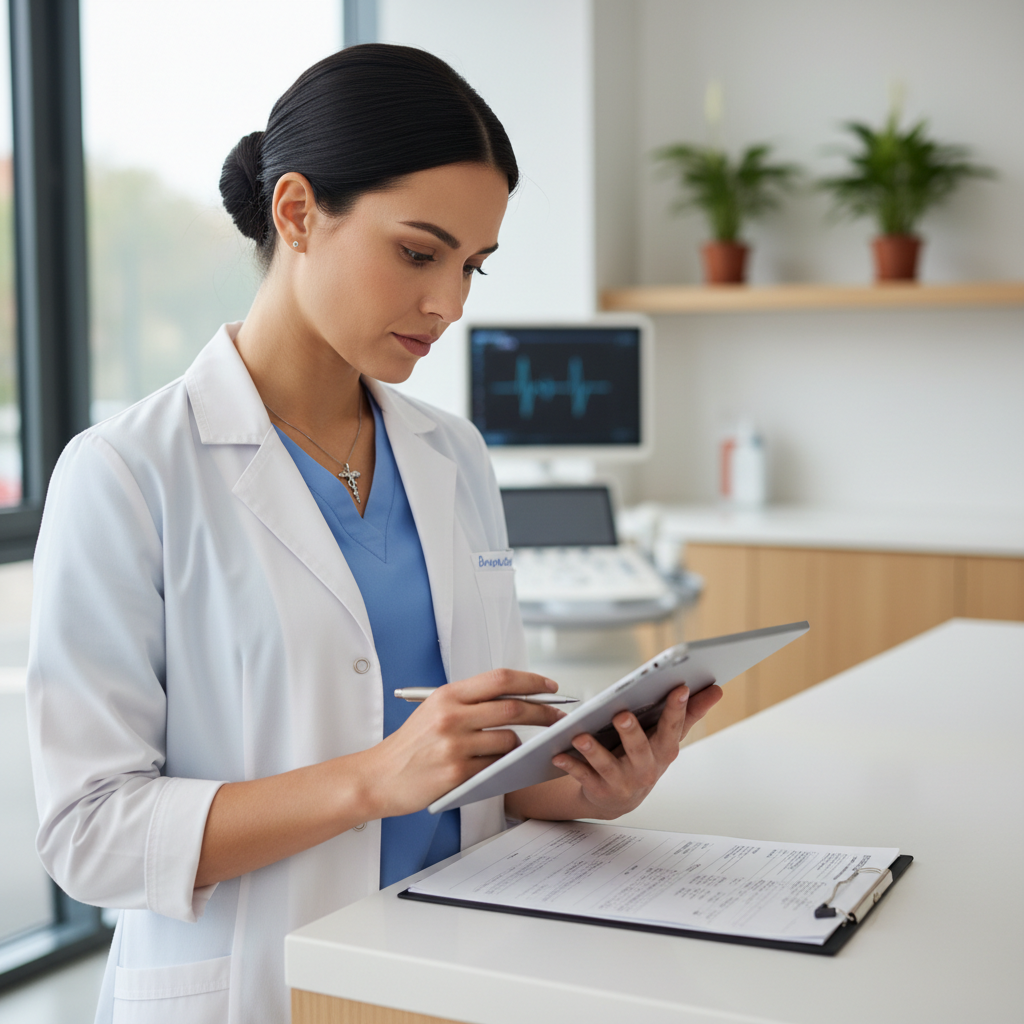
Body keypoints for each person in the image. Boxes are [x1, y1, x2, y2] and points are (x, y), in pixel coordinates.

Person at [26, 44, 721, 1024]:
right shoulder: (127, 473)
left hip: (445, 974)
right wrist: (368, 778)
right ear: (297, 212)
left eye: (471, 265)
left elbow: (470, 774)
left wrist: (584, 788)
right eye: (417, 251)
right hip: (256, 990)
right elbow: (89, 834)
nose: (451, 303)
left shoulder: (454, 454)